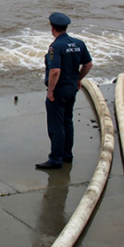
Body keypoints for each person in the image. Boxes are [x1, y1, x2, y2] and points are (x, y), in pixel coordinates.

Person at [36, 12, 93, 170]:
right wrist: (78, 79)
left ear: (52, 27)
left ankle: (55, 158)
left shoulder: (56, 46)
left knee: (56, 125)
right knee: (68, 122)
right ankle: (67, 154)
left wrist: (51, 91)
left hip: (59, 90)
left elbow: (55, 71)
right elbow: (88, 64)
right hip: (71, 88)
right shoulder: (78, 43)